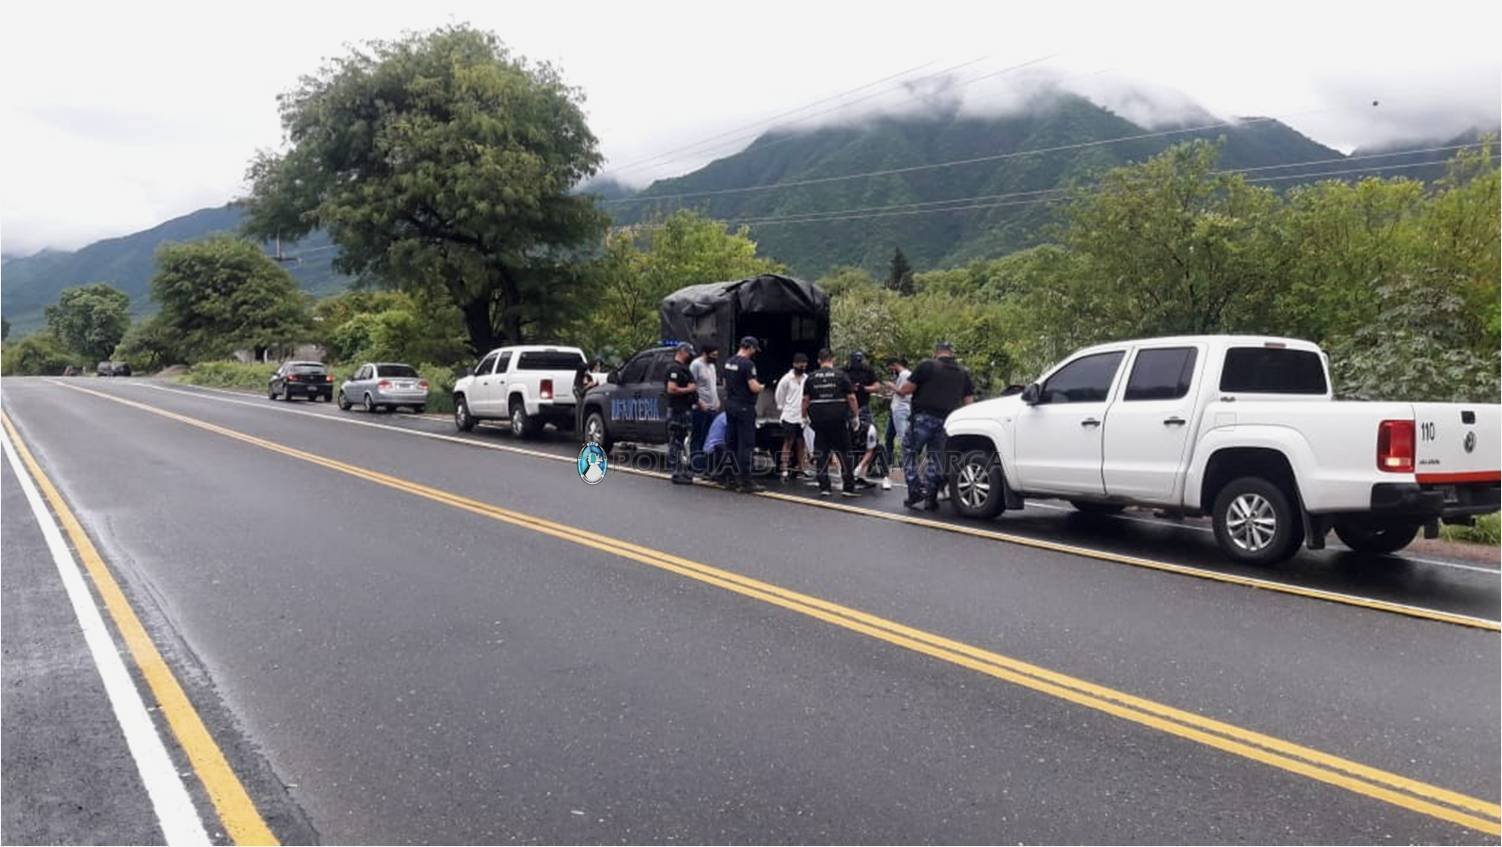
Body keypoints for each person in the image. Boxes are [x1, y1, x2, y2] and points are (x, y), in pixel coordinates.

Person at [898, 341, 975, 511]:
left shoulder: (927, 366)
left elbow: (906, 390)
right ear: (951, 352)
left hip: (922, 418)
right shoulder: (963, 373)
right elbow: (969, 403)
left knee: (909, 452)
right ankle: (931, 497)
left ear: (936, 352)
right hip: (947, 422)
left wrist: (895, 389)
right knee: (936, 459)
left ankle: (915, 490)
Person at [802, 348, 860, 497]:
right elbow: (852, 398)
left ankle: (824, 487)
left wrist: (803, 416)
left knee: (821, 453)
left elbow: (805, 400)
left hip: (819, 421)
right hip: (838, 419)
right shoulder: (841, 376)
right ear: (832, 359)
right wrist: (855, 416)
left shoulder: (811, 377)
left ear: (818, 361)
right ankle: (848, 487)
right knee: (845, 453)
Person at [721, 336, 765, 493]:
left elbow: (725, 384)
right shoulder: (748, 364)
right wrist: (762, 387)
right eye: (754, 349)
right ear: (750, 348)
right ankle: (746, 481)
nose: (754, 352)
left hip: (731, 405)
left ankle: (729, 478)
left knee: (730, 443)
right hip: (744, 407)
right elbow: (753, 387)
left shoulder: (729, 362)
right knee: (746, 444)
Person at [664, 342, 698, 484]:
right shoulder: (674, 368)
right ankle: (676, 473)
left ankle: (682, 470)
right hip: (677, 409)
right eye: (689, 353)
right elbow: (671, 389)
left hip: (685, 408)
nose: (690, 356)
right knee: (677, 441)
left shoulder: (684, 369)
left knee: (683, 441)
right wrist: (689, 389)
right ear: (682, 352)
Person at [775, 353, 809, 481]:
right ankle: (784, 469)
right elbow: (779, 395)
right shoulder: (786, 379)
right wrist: (782, 407)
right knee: (788, 442)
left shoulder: (807, 378)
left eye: (804, 364)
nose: (802, 366)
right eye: (800, 364)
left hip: (802, 416)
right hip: (789, 414)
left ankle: (801, 468)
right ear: (794, 364)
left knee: (801, 442)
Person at [689, 344, 720, 476]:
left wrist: (717, 400)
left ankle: (707, 466)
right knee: (698, 436)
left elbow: (713, 385)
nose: (715, 358)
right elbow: (692, 386)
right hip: (700, 406)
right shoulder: (696, 365)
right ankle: (696, 465)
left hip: (712, 406)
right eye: (713, 355)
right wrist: (699, 402)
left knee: (709, 437)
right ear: (705, 353)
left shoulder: (712, 366)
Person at [882, 357, 912, 471]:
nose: (890, 370)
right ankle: (888, 462)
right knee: (889, 437)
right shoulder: (903, 375)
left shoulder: (905, 375)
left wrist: (891, 385)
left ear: (894, 365)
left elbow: (903, 392)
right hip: (896, 409)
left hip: (901, 410)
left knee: (903, 436)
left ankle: (907, 463)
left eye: (890, 367)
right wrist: (891, 394)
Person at [702, 411, 730, 483]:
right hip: (715, 450)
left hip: (709, 450)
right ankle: (721, 474)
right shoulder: (728, 418)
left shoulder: (722, 415)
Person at [573, 360, 597, 437]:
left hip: (589, 400)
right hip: (582, 400)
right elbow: (580, 392)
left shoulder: (588, 376)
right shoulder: (578, 380)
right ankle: (580, 434)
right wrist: (588, 386)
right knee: (580, 417)